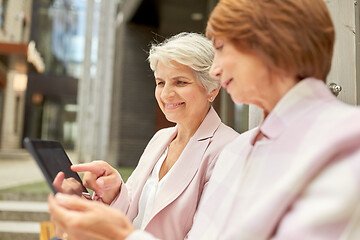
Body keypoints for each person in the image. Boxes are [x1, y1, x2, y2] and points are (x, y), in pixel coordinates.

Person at [185, 0, 360, 239]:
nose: (214, 70)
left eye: (222, 47)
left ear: (272, 42)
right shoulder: (234, 151)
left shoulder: (349, 142)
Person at [49, 32, 239, 240]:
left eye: (180, 82)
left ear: (212, 87)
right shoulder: (160, 139)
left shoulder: (228, 149)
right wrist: (112, 190)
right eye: (160, 82)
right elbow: (130, 211)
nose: (166, 94)